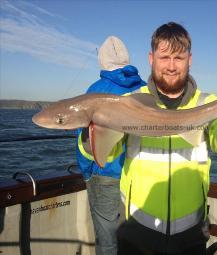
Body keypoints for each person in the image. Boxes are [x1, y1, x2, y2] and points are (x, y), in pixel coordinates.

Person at [115, 22, 217, 255]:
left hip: (191, 231)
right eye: (164, 57)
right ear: (151, 58)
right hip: (136, 228)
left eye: (179, 58)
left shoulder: (210, 103)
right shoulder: (128, 103)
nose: (172, 66)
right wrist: (90, 134)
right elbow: (104, 153)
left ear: (190, 60)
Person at [76, 35, 146, 255]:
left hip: (105, 172)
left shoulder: (96, 91)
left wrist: (88, 172)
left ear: (102, 61)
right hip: (137, 175)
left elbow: (86, 141)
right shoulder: (144, 90)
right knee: (136, 237)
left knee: (107, 238)